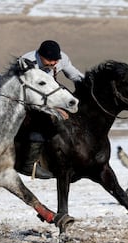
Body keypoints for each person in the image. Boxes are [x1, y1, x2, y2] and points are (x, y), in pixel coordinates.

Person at [18, 40, 84, 179]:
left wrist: (90, 86)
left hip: (52, 93)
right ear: (40, 56)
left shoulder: (62, 59)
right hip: (29, 101)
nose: (54, 63)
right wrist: (53, 109)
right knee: (41, 121)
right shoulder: (27, 62)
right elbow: (28, 95)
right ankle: (29, 165)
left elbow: (75, 76)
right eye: (50, 60)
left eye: (56, 60)